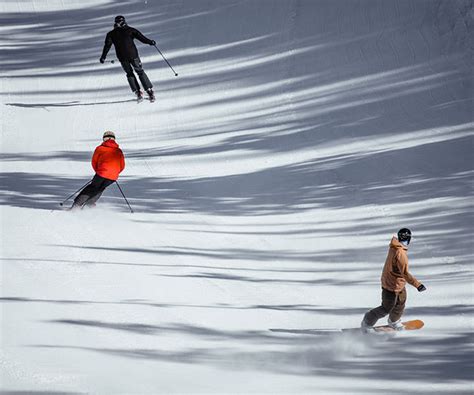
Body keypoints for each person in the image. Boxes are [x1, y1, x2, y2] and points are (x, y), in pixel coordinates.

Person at [361, 228, 426, 332]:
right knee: (387, 307)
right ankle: (367, 321)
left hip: (398, 283)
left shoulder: (395, 247)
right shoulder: (400, 252)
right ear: (409, 239)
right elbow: (405, 273)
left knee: (400, 303)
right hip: (391, 285)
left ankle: (394, 321)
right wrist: (418, 285)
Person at [100, 15, 156, 102]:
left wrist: (150, 42)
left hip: (130, 56)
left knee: (136, 72)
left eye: (119, 22)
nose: (118, 24)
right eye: (118, 22)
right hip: (126, 57)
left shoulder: (123, 31)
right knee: (134, 73)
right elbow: (107, 45)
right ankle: (142, 92)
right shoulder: (117, 33)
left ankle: (146, 91)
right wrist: (103, 56)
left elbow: (141, 37)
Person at [71, 131, 125, 210]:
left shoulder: (100, 148)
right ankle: (89, 205)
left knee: (92, 187)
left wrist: (99, 171)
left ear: (104, 139)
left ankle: (76, 206)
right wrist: (114, 173)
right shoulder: (119, 151)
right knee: (100, 188)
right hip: (113, 176)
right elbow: (122, 166)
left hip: (102, 173)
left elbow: (94, 162)